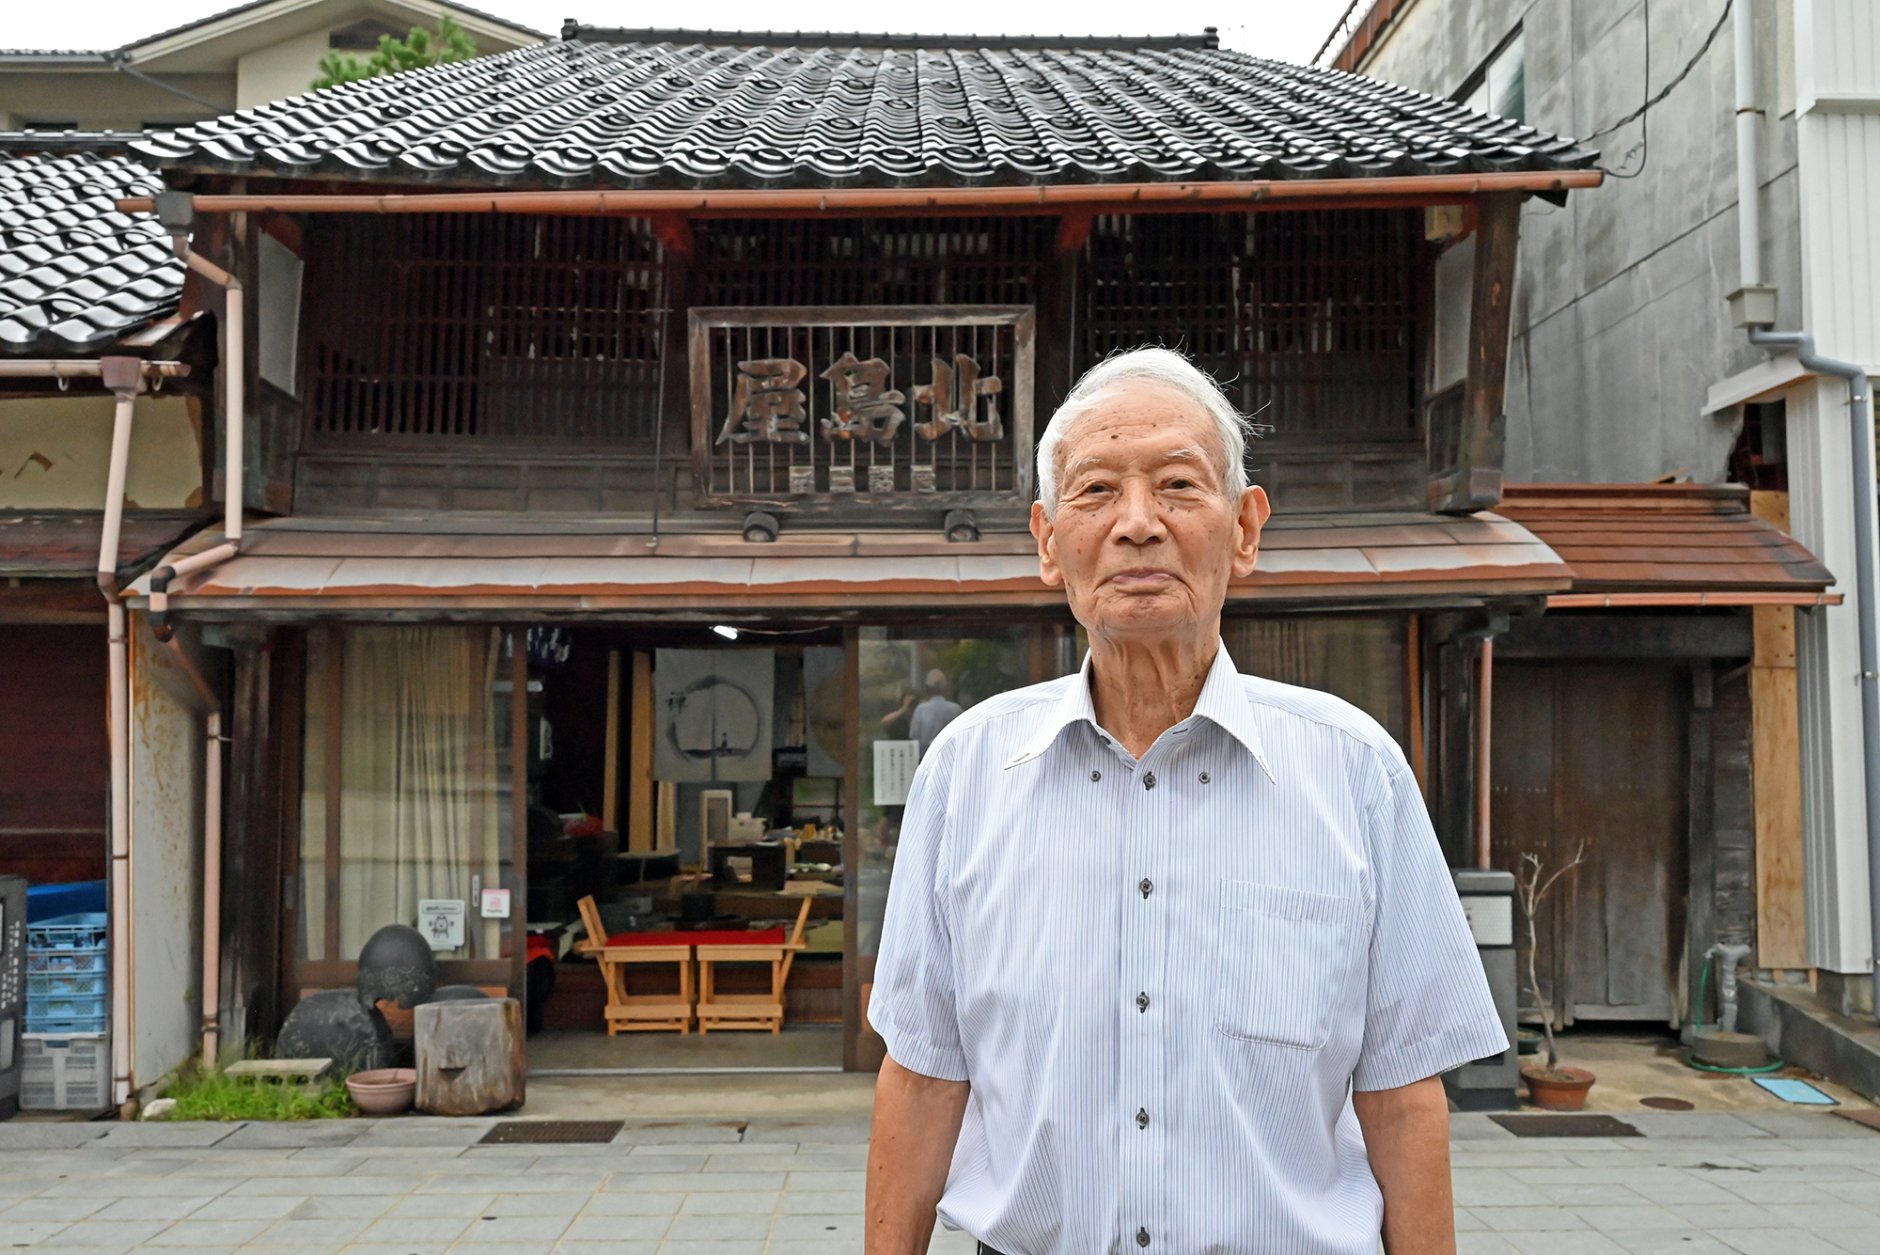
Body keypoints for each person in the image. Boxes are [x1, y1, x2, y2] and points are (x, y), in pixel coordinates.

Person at [864, 347, 1505, 1255]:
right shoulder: (966, 773)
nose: (1137, 524)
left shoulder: (1355, 772)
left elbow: (1401, 1094)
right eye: (1095, 492)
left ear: (1245, 528)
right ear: (1048, 541)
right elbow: (924, 1075)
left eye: (1176, 484)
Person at [907, 668, 962, 754]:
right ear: (945, 688)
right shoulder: (956, 710)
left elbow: (914, 738)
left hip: (926, 758)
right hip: (950, 757)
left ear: (927, 688)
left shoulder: (920, 710)